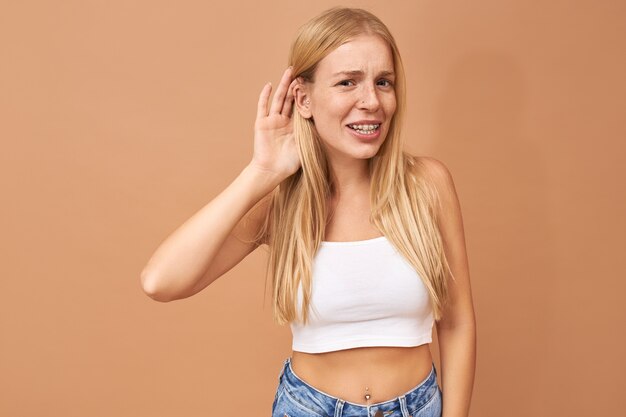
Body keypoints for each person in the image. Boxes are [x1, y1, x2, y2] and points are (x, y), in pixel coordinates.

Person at [140, 6, 476, 417]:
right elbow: (161, 281)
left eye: (383, 82)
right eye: (347, 82)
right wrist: (260, 172)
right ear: (303, 98)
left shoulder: (427, 184)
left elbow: (457, 323)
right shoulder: (281, 200)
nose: (370, 101)